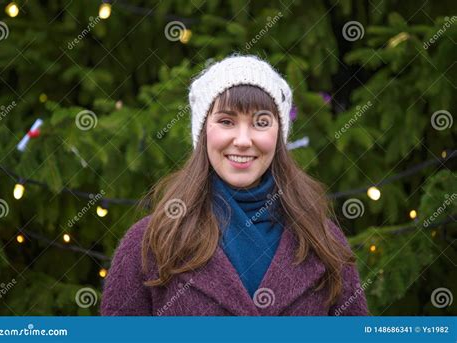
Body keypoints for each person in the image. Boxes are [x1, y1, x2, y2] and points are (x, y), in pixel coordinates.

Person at [100, 55, 368, 316]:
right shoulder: (150, 243)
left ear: (279, 135)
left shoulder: (323, 240)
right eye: (226, 121)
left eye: (261, 123)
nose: (243, 140)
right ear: (204, 131)